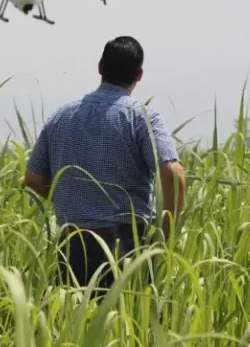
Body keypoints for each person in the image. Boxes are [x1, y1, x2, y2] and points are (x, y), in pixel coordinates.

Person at [23, 35, 186, 296]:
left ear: (100, 67)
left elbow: (32, 178)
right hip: (127, 247)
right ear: (139, 75)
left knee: (71, 330)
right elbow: (174, 173)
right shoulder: (142, 117)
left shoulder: (61, 116)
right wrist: (166, 236)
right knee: (126, 330)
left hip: (72, 244)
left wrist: (67, 198)